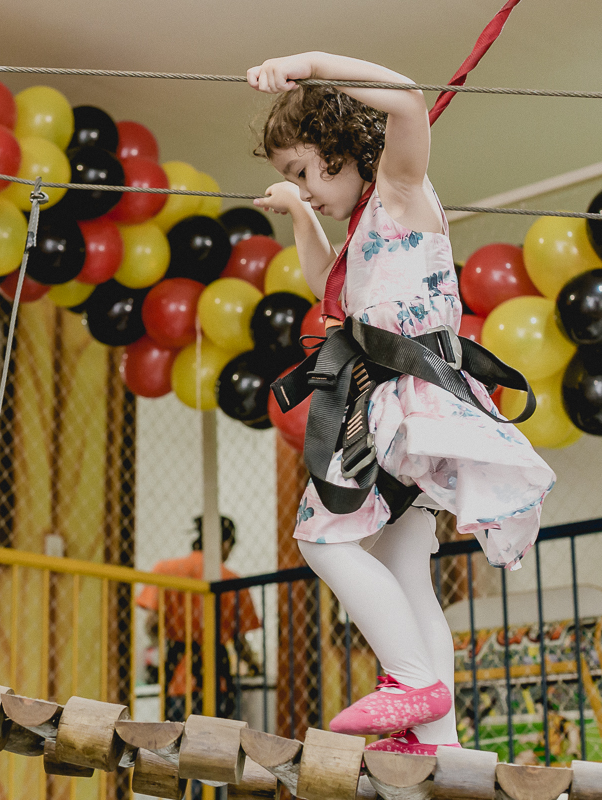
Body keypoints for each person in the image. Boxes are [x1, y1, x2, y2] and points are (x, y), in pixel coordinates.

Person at [248, 52, 555, 754]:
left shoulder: (399, 186)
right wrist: (299, 209)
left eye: (304, 170)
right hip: (401, 403)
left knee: (320, 538)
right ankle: (436, 738)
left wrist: (307, 64)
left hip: (409, 399)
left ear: (336, 147)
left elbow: (409, 100)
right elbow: (331, 281)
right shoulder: (363, 223)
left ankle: (412, 681)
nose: (304, 185)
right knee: (399, 560)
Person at [136, 516, 261, 721]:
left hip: (177, 678)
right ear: (226, 543)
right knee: (217, 745)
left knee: (177, 745)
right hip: (216, 679)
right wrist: (253, 664)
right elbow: (240, 641)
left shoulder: (166, 571)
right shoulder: (232, 581)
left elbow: (151, 623)